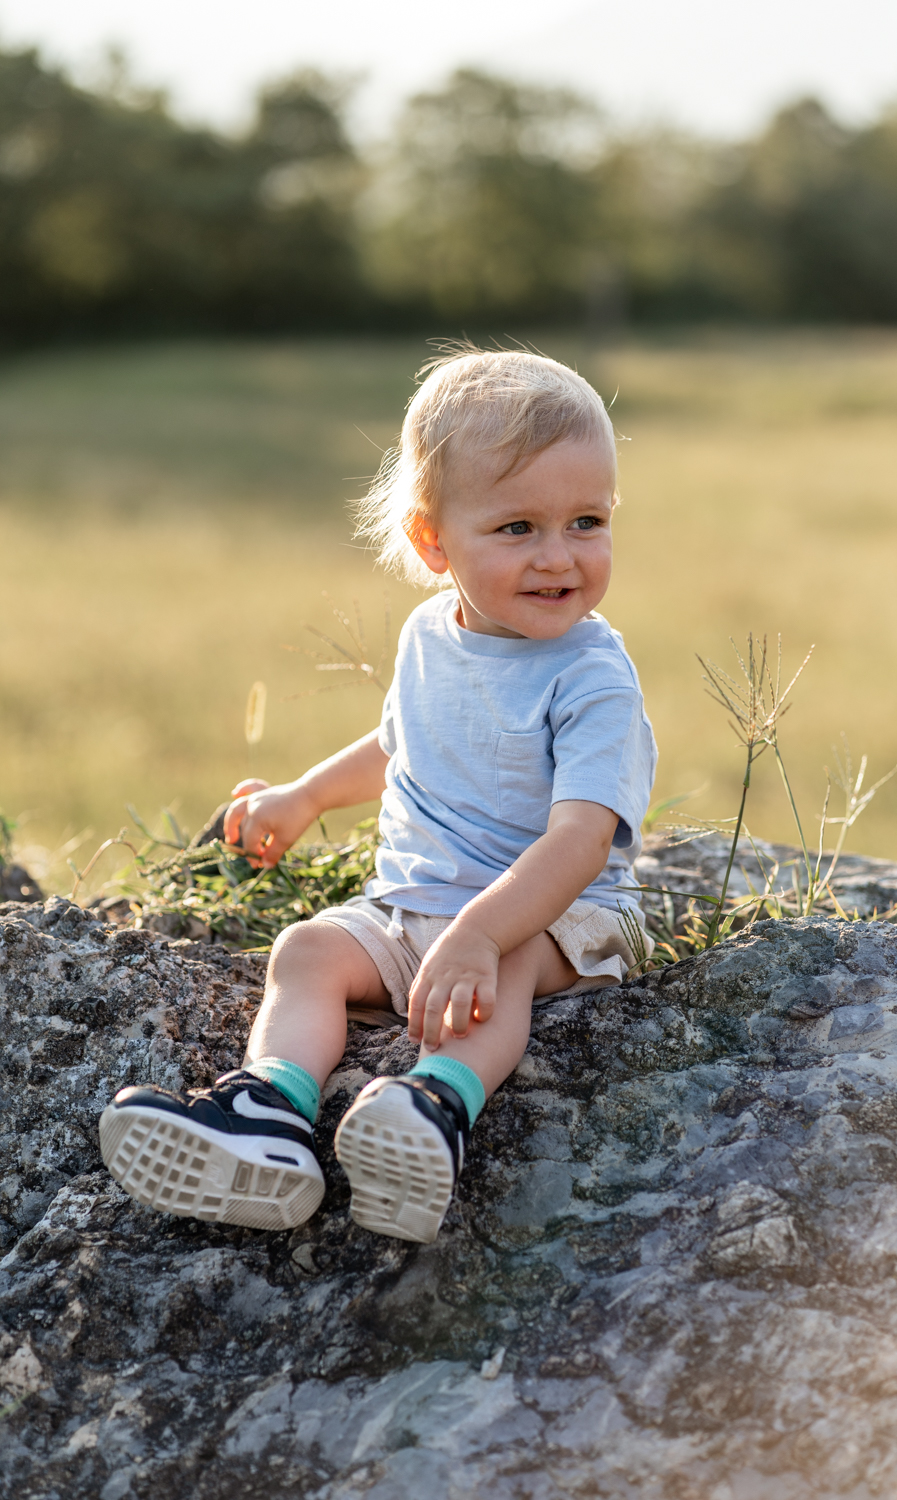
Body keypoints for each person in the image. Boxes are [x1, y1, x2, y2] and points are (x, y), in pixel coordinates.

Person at [99, 347, 657, 1244]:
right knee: (309, 949)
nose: (560, 557)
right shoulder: (430, 634)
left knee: (504, 971)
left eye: (587, 521)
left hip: (559, 916)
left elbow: (583, 838)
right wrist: (308, 796)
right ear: (433, 542)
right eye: (517, 528)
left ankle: (435, 1105)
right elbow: (403, 742)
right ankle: (272, 1111)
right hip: (414, 906)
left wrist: (482, 932)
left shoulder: (592, 677)